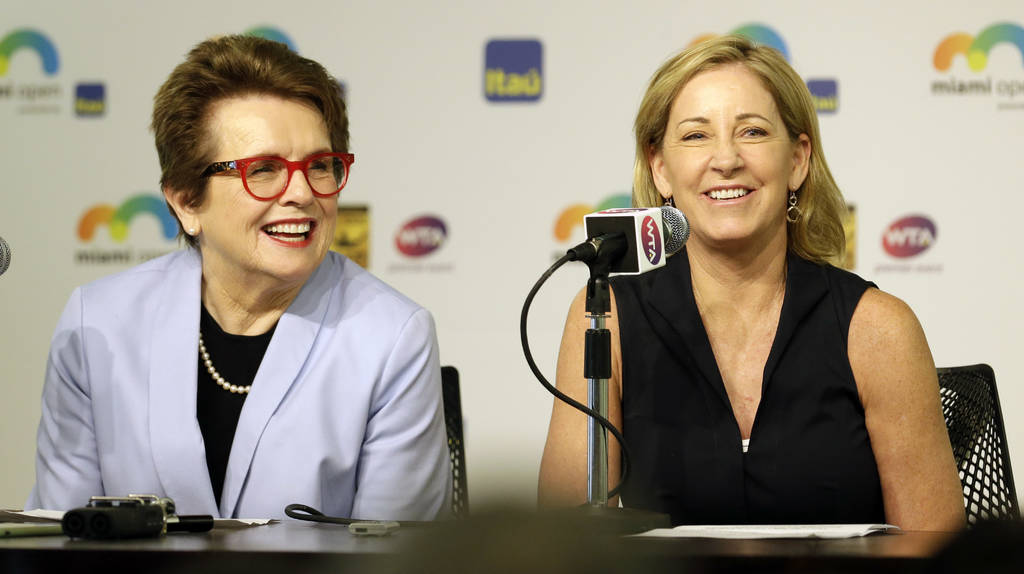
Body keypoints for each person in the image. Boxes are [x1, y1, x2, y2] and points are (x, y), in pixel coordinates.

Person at [538, 35, 964, 530]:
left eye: (753, 132)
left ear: (798, 161)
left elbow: (939, 554)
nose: (726, 159)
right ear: (661, 169)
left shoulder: (877, 327)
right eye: (696, 136)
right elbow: (561, 548)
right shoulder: (603, 315)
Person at [27, 35, 451, 520]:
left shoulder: (392, 336)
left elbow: (395, 556)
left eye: (319, 166)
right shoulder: (97, 323)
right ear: (187, 201)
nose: (301, 193)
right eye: (264, 169)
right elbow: (62, 537)